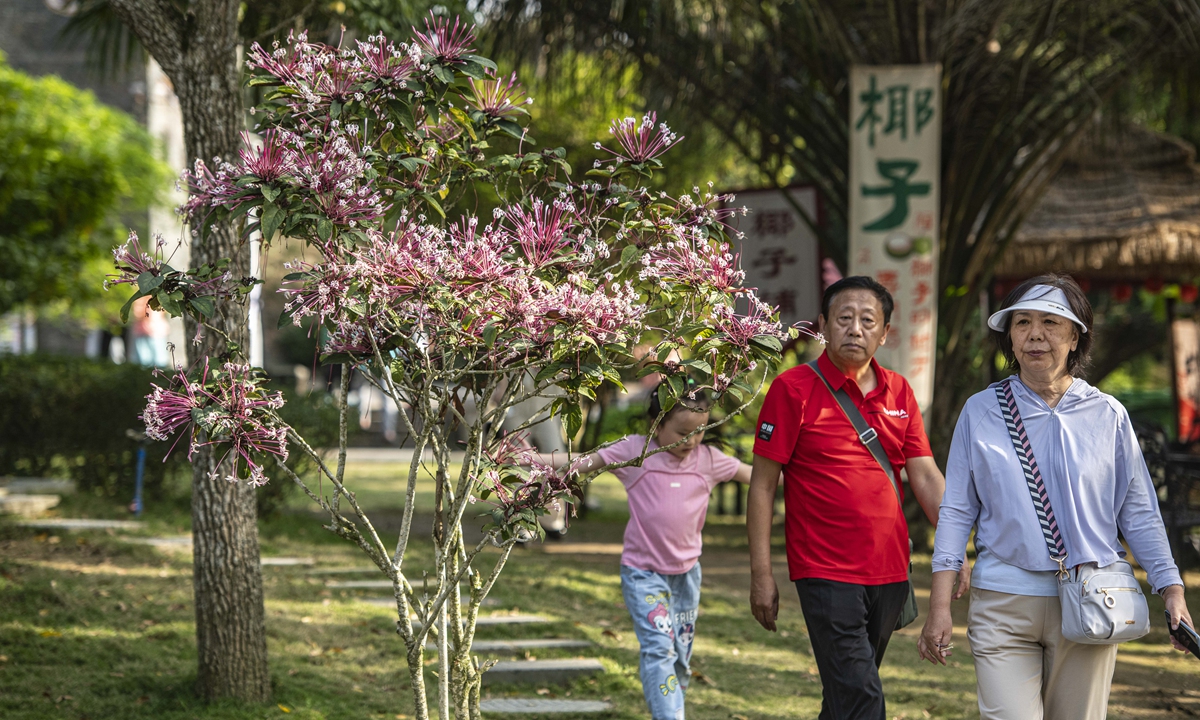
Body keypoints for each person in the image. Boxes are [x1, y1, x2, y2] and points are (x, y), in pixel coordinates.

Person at [921, 274, 1194, 720]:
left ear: (1074, 336)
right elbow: (956, 511)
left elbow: (1139, 511)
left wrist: (1171, 590)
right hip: (1002, 600)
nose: (1035, 334)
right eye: (1022, 322)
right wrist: (938, 607)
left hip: (1093, 599)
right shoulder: (981, 410)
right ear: (1009, 336)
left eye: (1051, 322)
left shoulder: (1108, 415)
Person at [746, 275, 969, 720]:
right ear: (823, 325)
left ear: (885, 332)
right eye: (843, 318)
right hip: (824, 570)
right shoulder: (792, 389)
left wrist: (954, 547)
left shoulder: (900, 391)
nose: (855, 329)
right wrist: (761, 574)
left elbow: (925, 476)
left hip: (888, 572)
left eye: (868, 320)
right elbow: (763, 484)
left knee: (844, 698)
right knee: (863, 697)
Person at [571, 383, 752, 720]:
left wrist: (815, 472)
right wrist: (526, 460)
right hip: (643, 574)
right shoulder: (636, 452)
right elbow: (580, 463)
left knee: (680, 656)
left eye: (700, 431)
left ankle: (670, 710)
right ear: (656, 422)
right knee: (659, 648)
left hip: (686, 577)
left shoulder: (709, 460)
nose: (692, 441)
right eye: (683, 432)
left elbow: (761, 478)